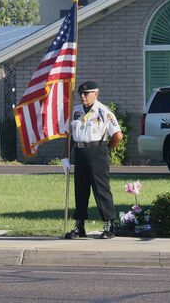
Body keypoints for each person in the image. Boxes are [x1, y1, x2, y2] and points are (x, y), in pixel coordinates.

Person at [61, 81, 123, 239]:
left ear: (96, 94)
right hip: (80, 152)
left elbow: (117, 135)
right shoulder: (75, 111)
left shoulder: (103, 111)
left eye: (86, 94)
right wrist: (66, 156)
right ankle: (79, 225)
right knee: (80, 190)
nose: (82, 97)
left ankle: (109, 224)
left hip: (97, 150)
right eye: (81, 94)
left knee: (101, 190)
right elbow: (69, 136)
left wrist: (106, 150)